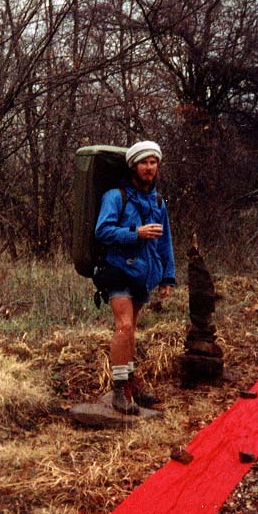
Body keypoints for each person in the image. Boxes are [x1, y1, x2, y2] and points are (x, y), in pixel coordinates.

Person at [94, 140, 175, 415]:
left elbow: (166, 242)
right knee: (124, 327)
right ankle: (119, 390)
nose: (149, 167)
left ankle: (129, 384)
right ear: (133, 166)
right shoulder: (116, 196)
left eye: (153, 162)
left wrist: (167, 276)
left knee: (132, 330)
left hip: (144, 273)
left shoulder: (158, 201)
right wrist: (135, 233)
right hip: (117, 270)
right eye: (144, 162)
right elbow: (102, 231)